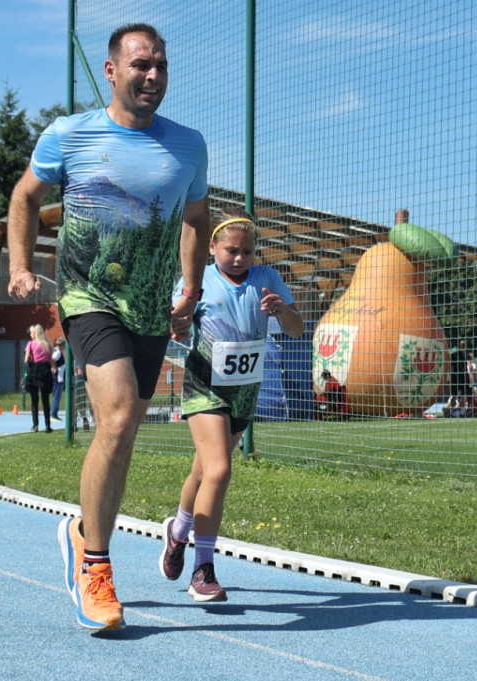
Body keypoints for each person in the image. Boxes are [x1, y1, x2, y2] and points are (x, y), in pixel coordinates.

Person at [6, 23, 210, 630]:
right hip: (87, 296)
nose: (153, 76)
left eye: (162, 66)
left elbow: (196, 218)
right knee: (118, 414)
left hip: (151, 307)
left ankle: (81, 534)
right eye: (141, 64)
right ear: (112, 71)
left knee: (124, 434)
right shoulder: (70, 135)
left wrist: (190, 287)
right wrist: (19, 265)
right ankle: (96, 564)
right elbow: (23, 197)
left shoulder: (189, 146)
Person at [158, 209, 304, 602]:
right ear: (212, 248)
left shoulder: (267, 279)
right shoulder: (198, 279)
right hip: (205, 383)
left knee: (204, 471)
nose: (239, 258)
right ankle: (202, 570)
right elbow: (176, 322)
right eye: (231, 250)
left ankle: (177, 533)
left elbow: (296, 328)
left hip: (244, 389)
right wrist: (180, 322)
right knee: (220, 468)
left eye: (247, 252)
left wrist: (282, 311)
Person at [23, 324, 56, 433]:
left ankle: (35, 425)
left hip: (34, 371)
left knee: (34, 400)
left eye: (32, 332)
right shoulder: (48, 344)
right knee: (45, 400)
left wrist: (31, 357)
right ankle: (47, 425)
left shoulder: (31, 344)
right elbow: (51, 360)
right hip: (45, 371)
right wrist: (53, 367)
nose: (30, 334)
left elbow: (26, 360)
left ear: (35, 333)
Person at [50, 337, 66, 421]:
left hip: (58, 377)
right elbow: (51, 360)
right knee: (56, 396)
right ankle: (53, 414)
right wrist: (54, 367)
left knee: (57, 396)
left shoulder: (55, 351)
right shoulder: (58, 352)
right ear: (62, 345)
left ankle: (54, 414)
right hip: (58, 377)